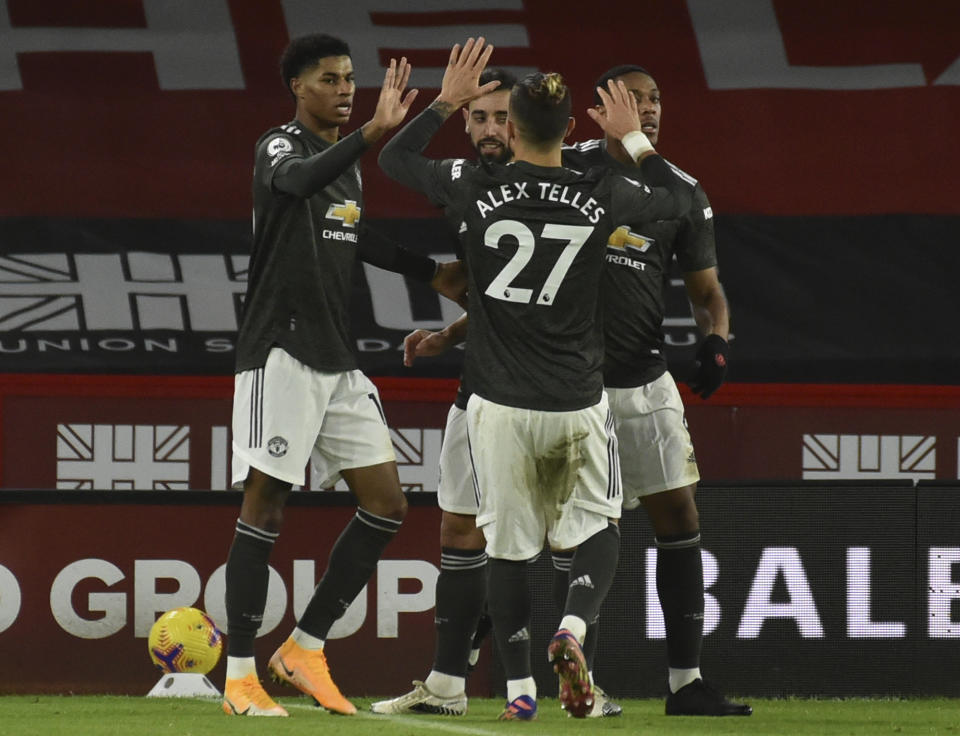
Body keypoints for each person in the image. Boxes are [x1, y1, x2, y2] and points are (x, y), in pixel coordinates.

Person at [378, 38, 692, 720]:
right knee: (599, 525)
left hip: (495, 401)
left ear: (510, 128)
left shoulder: (473, 183)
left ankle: (519, 691)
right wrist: (633, 137)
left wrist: (445, 103)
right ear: (572, 130)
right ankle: (573, 630)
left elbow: (394, 159)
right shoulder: (601, 189)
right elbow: (681, 202)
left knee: (507, 548)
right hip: (578, 399)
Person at [220, 33, 426, 718]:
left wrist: (436, 273)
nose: (344, 88)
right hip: (280, 351)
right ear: (297, 88)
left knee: (388, 504)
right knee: (266, 504)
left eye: (349, 78)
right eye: (330, 79)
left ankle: (304, 647)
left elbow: (358, 232)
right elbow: (297, 184)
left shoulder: (347, 166)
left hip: (337, 357)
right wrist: (371, 132)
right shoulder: (281, 147)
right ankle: (241, 675)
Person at [557, 63, 750, 717]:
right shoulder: (560, 167)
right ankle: (577, 680)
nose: (650, 107)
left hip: (643, 380)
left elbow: (706, 291)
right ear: (598, 106)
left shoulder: (682, 192)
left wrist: (716, 339)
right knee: (580, 532)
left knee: (680, 517)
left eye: (657, 98)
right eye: (633, 98)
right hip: (568, 385)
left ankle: (686, 684)